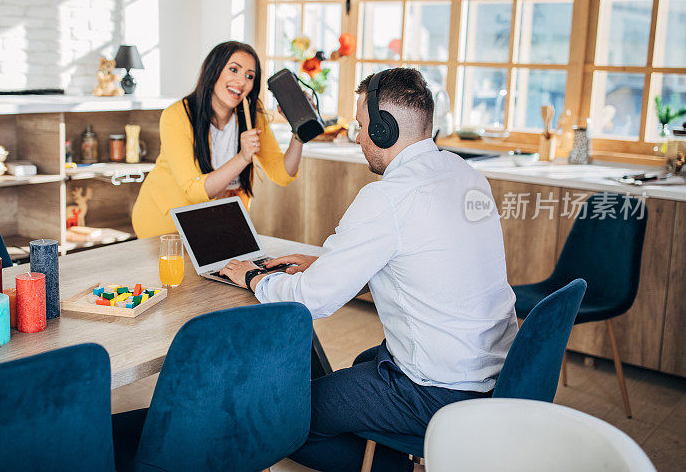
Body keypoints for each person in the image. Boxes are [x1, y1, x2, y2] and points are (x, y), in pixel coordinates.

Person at [220, 68, 518, 471]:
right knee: (362, 362)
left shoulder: (388, 197)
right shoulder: (465, 175)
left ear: (383, 130)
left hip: (433, 390)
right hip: (491, 373)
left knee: (277, 419)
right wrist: (327, 264)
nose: (357, 136)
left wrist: (255, 277)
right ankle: (383, 447)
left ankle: (392, 466)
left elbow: (314, 300)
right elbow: (422, 260)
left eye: (361, 126)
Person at [132, 41, 304, 238]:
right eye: (233, 70)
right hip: (165, 226)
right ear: (214, 70)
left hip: (218, 224)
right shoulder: (178, 115)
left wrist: (299, 129)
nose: (241, 81)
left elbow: (282, 174)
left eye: (249, 76)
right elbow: (194, 190)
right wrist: (243, 158)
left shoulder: (252, 115)